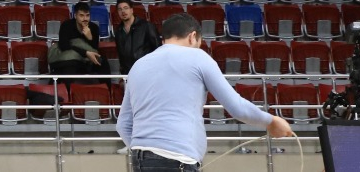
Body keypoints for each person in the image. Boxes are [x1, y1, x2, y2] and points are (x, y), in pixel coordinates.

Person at [118, 13, 293, 172]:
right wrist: (271, 121)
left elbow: (123, 124)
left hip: (140, 160)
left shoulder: (138, 66)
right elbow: (237, 107)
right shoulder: (197, 57)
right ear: (193, 37)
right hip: (177, 160)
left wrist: (147, 150)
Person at [50, 2, 107, 80]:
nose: (85, 19)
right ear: (75, 16)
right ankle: (69, 91)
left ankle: (107, 90)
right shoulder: (67, 25)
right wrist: (85, 53)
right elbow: (64, 46)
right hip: (66, 57)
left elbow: (95, 48)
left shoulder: (94, 27)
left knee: (103, 62)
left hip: (84, 59)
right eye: (81, 15)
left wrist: (90, 38)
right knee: (71, 64)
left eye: (87, 15)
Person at [113, 0, 160, 75]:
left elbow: (157, 48)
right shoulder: (118, 31)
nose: (123, 11)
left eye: (126, 8)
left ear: (132, 10)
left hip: (146, 70)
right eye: (120, 9)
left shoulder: (146, 26)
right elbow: (121, 56)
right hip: (128, 73)